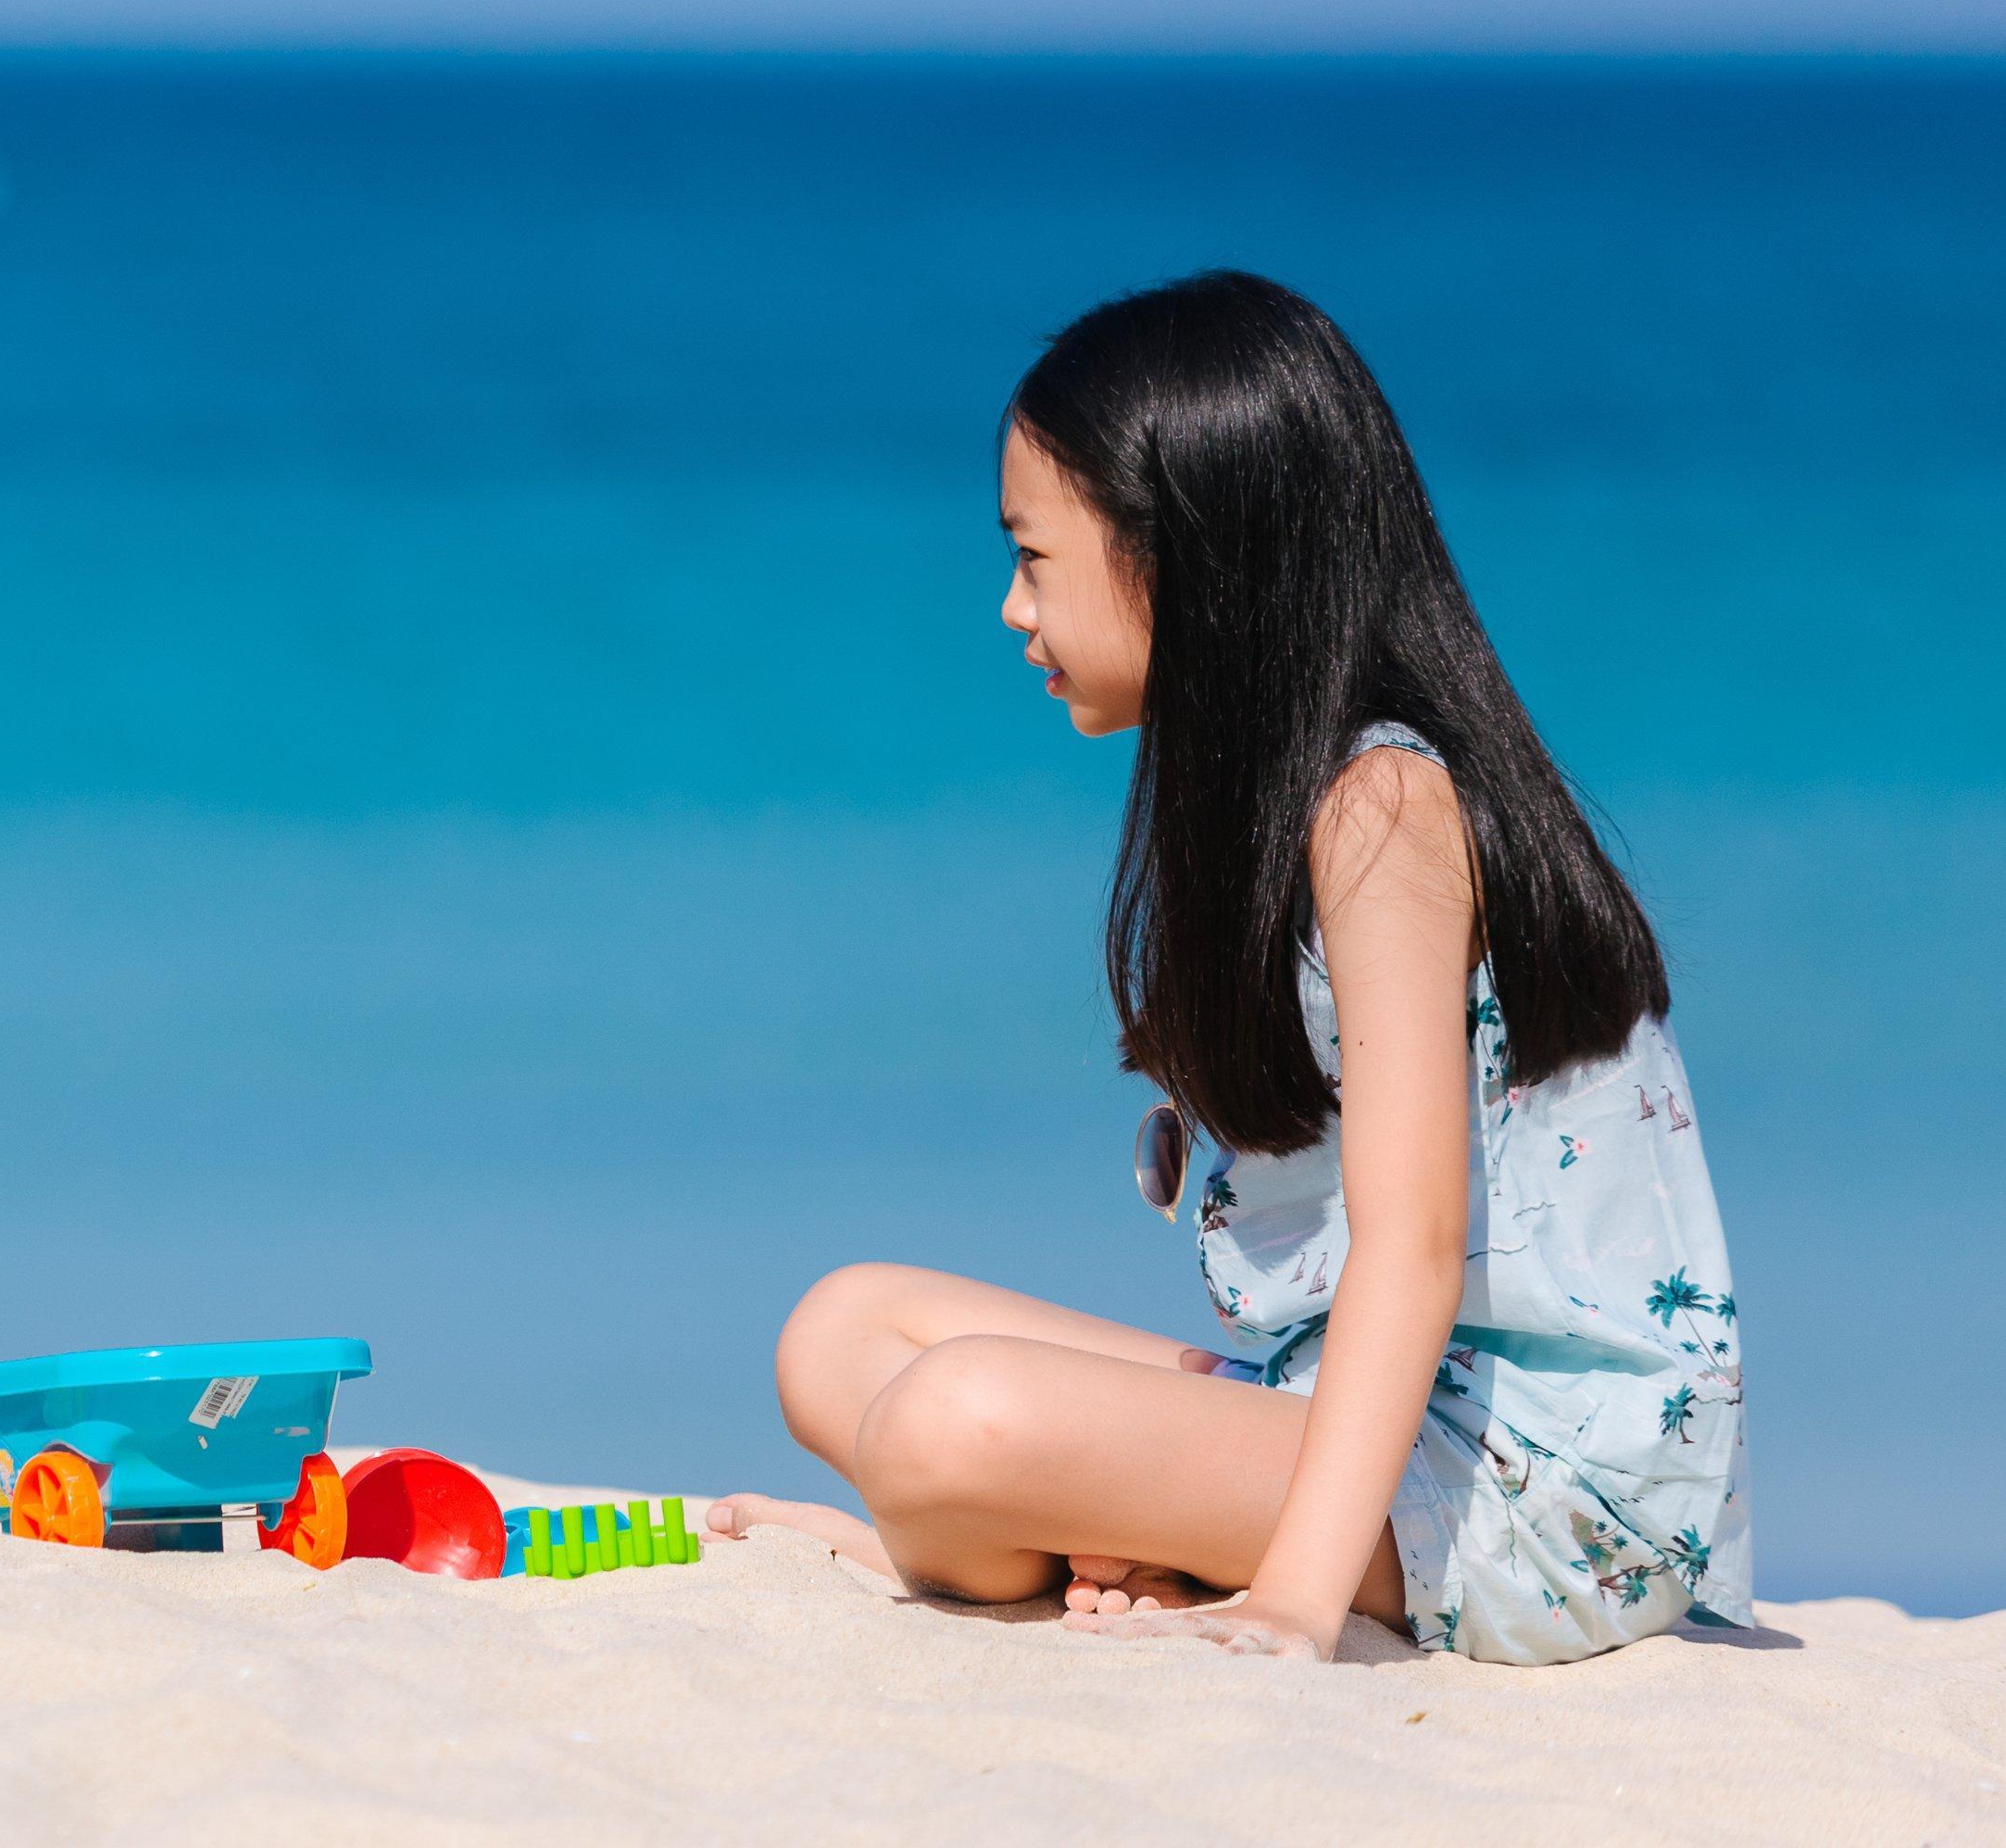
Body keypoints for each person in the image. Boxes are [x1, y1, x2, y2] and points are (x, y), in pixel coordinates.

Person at [715, 270, 1749, 1662]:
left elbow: (1416, 1244)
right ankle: (1083, 1533)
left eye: (1034, 555)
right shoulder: (1274, 802)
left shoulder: (1384, 805)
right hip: (1355, 1397)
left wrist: (1294, 1601)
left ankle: (1058, 1543)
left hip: (1538, 1483)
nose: (1010, 610)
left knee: (956, 1423)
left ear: (1180, 553)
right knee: (841, 1333)